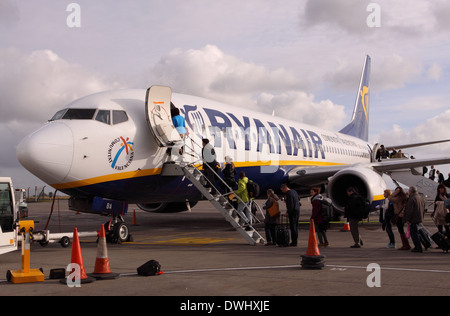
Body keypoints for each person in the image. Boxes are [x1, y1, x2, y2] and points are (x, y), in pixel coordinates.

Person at [404, 186, 425, 253]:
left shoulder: (412, 199)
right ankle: (418, 246)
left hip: (413, 218)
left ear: (411, 191)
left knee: (414, 233)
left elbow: (410, 210)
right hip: (419, 217)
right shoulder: (420, 197)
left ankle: (418, 247)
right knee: (416, 233)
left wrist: (408, 219)